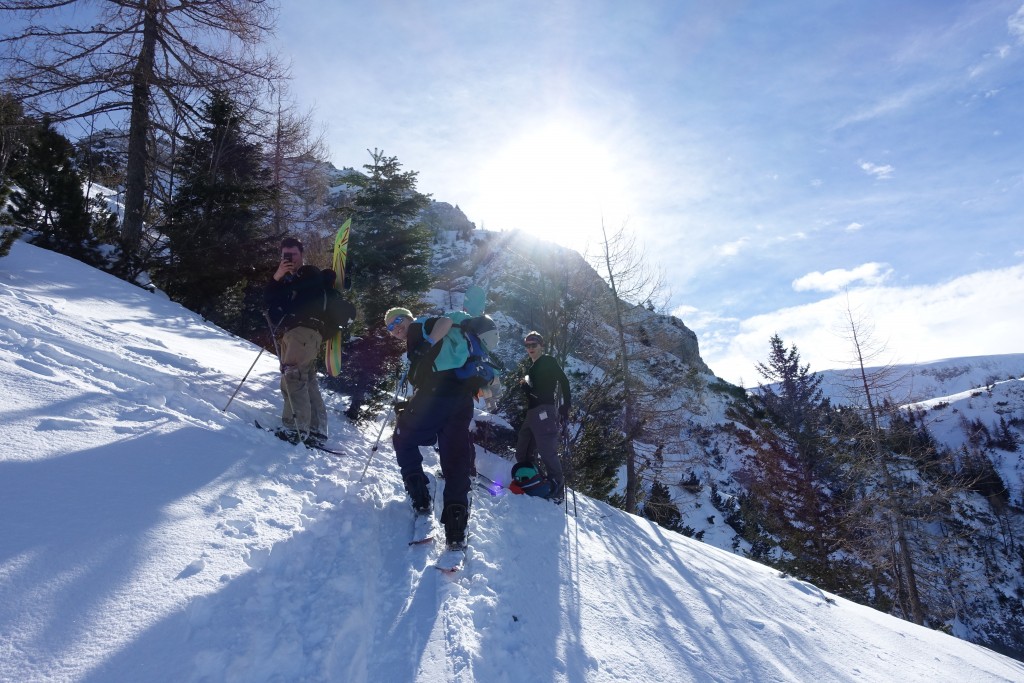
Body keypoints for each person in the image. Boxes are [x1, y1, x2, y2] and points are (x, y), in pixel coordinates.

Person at [385, 306, 475, 550]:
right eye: (390, 327)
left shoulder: (420, 326)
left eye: (398, 320)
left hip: (435, 399)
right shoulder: (420, 331)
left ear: (409, 317)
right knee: (455, 460)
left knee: (403, 438)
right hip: (461, 400)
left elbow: (445, 321)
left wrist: (427, 343)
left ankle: (420, 496)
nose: (396, 328)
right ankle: (456, 529)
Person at [265, 237, 353, 446]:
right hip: (304, 335)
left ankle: (295, 429)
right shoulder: (290, 278)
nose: (289, 259)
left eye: (293, 254)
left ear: (301, 255)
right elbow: (270, 302)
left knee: (293, 377)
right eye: (285, 255)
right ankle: (316, 429)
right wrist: (278, 277)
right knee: (307, 379)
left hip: (302, 332)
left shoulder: (308, 274)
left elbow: (294, 296)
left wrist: (282, 279)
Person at [515, 331, 571, 500]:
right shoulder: (533, 367)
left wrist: (566, 404)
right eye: (527, 345)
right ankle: (532, 481)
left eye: (534, 345)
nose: (530, 348)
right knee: (523, 450)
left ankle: (557, 491)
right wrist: (526, 388)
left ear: (541, 346)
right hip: (533, 412)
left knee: (547, 451)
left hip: (544, 411)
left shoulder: (547, 360)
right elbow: (534, 392)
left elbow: (564, 380)